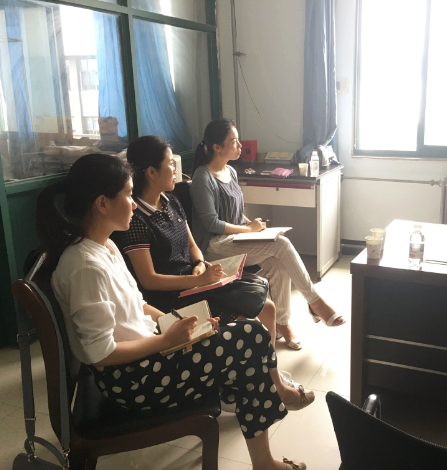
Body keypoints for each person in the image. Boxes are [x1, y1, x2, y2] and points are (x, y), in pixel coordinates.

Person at [36, 153, 312, 470]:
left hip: (147, 356)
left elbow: (138, 305)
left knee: (247, 336)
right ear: (102, 204)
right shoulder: (85, 266)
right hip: (131, 381)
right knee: (250, 337)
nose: (133, 203)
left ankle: (263, 453)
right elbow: (99, 353)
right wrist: (166, 340)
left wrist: (183, 324)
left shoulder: (105, 247)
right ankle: (265, 455)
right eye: (128, 194)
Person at [190, 119, 345, 351]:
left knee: (277, 262)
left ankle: (282, 324)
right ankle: (315, 302)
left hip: (233, 239)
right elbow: (211, 222)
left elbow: (235, 213)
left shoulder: (230, 171)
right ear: (217, 147)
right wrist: (248, 230)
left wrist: (250, 224)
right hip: (213, 246)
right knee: (281, 245)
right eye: (234, 141)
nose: (240, 146)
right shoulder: (203, 177)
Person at [113, 135, 279, 347]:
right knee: (249, 323)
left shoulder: (171, 201)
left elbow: (193, 246)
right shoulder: (136, 219)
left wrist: (200, 264)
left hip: (194, 282)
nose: (175, 169)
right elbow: (149, 280)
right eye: (171, 164)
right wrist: (198, 280)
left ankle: (268, 365)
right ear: (152, 173)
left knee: (268, 307)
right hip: (171, 296)